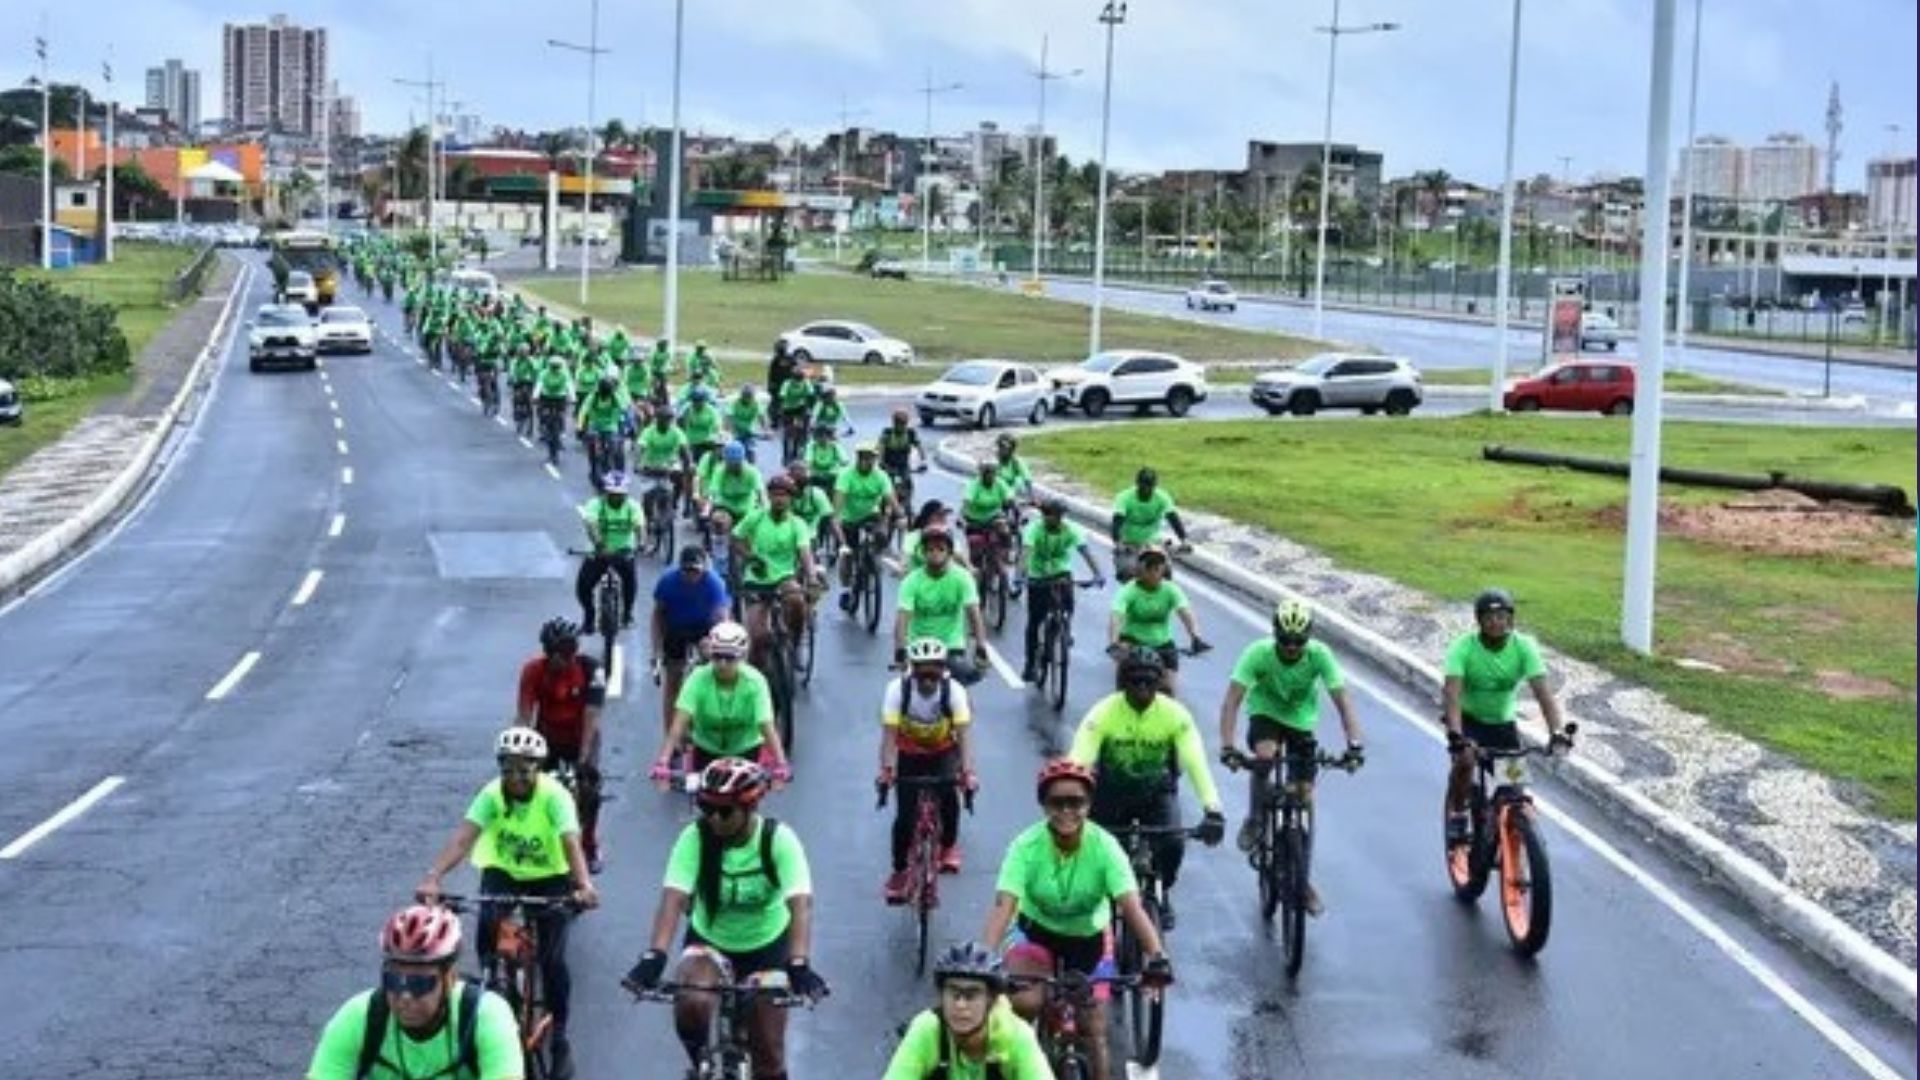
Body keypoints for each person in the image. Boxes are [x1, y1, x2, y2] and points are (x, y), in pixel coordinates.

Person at [622, 758, 828, 1080]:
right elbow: (673, 898)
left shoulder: (778, 840)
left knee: (770, 1058)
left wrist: (799, 963)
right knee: (691, 1001)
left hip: (768, 948)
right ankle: (700, 1063)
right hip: (710, 942)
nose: (714, 818)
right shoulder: (696, 837)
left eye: (725, 811)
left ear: (749, 809)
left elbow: (800, 904)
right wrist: (655, 956)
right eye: (706, 808)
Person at [416, 728, 599, 1079]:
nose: (516, 777)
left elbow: (571, 843)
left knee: (553, 957)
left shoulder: (555, 796)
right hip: (502, 872)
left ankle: (559, 1035)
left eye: (524, 769)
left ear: (538, 768)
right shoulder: (490, 794)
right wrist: (433, 876)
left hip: (549, 876)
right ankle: (493, 978)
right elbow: (462, 838)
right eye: (509, 769)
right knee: (488, 924)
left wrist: (583, 886)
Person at [980, 760, 1171, 1080]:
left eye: (1076, 802)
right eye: (1057, 802)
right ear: (1044, 805)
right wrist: (983, 959)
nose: (1067, 810)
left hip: (1089, 939)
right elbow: (1003, 906)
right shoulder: (1025, 846)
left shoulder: (1106, 847)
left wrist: (1156, 956)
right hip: (1036, 933)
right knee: (1024, 1004)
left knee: (1094, 1030)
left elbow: (1132, 906)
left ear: (1089, 804)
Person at [1217, 600, 1364, 914]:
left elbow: (1343, 701)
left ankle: (1301, 877)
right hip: (1265, 712)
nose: (1292, 648)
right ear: (1275, 635)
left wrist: (1354, 745)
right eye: (1285, 641)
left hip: (1301, 720)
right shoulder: (1257, 653)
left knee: (1304, 796)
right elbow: (1231, 702)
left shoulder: (1320, 656)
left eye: (1299, 642)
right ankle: (1256, 818)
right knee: (1265, 756)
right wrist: (1228, 746)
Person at [1068, 648, 1225, 931]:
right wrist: (1069, 800)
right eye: (1135, 681)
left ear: (1159, 684)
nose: (1142, 688)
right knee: (1093, 851)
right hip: (1111, 793)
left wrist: (1212, 809)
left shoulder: (1174, 714)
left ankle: (1162, 892)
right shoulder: (1103, 712)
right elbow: (1079, 759)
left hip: (1157, 793)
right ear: (1122, 683)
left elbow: (1196, 763)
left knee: (1174, 843)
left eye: (1149, 682)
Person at [305, 905, 523, 1080]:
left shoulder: (486, 1015)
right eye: (393, 981)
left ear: (450, 979)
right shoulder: (359, 1016)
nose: (405, 996)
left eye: (420, 983)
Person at [1443, 588, 1573, 845]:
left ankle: (1507, 832)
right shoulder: (1463, 647)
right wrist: (1457, 736)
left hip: (1503, 725)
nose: (1496, 622)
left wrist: (1556, 732)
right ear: (1479, 621)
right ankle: (1457, 815)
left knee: (1514, 791)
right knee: (1466, 761)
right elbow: (1452, 695)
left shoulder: (1524, 647)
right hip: (1468, 721)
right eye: (1489, 617)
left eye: (1502, 616)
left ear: (1511, 619)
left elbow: (1544, 695)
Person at [878, 638, 978, 901]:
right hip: (909, 752)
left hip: (943, 751)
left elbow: (965, 735)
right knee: (904, 819)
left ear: (943, 670)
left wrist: (967, 772)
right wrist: (887, 770)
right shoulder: (897, 690)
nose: (927, 682)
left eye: (933, 674)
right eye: (921, 674)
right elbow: (889, 736)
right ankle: (900, 871)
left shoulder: (954, 691)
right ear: (912, 670)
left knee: (950, 798)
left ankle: (947, 846)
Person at [881, 942, 1051, 1080]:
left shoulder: (1017, 1036)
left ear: (990, 1000)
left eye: (972, 995)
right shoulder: (927, 1027)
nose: (961, 1005)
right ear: (941, 996)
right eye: (953, 993)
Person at [517, 618, 608, 873]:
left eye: (568, 653)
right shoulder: (533, 670)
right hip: (547, 735)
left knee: (589, 788)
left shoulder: (592, 669)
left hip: (581, 734)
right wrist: (521, 754)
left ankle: (589, 845)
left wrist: (583, 758)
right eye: (555, 653)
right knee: (526, 785)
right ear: (546, 652)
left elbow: (592, 715)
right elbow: (524, 715)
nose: (561, 660)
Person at [652, 621, 789, 781]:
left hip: (746, 752)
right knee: (704, 799)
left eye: (730, 657)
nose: (722, 664)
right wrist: (663, 761)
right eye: (717, 656)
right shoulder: (697, 678)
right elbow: (679, 723)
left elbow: (766, 725)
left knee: (746, 799)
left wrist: (781, 763)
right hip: (706, 752)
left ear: (742, 657)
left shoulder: (756, 682)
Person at [733, 475, 818, 676]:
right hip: (756, 580)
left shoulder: (797, 523)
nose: (779, 499)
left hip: (783, 579)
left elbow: (805, 552)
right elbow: (736, 538)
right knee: (758, 636)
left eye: (784, 495)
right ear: (769, 497)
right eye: (775, 495)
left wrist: (812, 576)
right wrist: (750, 556)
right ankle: (757, 679)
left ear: (791, 499)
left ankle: (795, 644)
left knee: (797, 601)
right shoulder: (755, 517)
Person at [650, 546, 734, 737]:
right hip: (676, 626)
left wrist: (718, 645)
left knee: (714, 662)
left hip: (705, 625)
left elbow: (723, 619)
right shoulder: (667, 582)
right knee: (673, 678)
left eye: (695, 571)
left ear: (703, 569)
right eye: (687, 571)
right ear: (680, 569)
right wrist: (655, 652)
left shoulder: (714, 584)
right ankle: (671, 734)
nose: (691, 576)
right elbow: (657, 616)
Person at [1020, 498, 1105, 684]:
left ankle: (1065, 626)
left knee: (1067, 602)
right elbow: (1025, 553)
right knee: (1034, 621)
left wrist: (1098, 573)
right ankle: (1029, 663)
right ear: (1044, 515)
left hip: (1061, 572)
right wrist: (1020, 575)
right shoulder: (1034, 530)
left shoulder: (1071, 530)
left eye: (1059, 515)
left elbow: (1085, 551)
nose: (1056, 519)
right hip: (1038, 575)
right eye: (1051, 515)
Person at [894, 525, 990, 685]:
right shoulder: (911, 581)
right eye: (930, 549)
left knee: (960, 692)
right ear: (923, 553)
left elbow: (973, 613)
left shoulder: (963, 577)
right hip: (918, 646)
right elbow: (902, 619)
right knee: (908, 690)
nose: (935, 554)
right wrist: (900, 650)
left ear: (950, 552)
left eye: (940, 549)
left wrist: (980, 647)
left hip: (951, 645)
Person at [1106, 545, 1208, 693]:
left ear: (1163, 570)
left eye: (1157, 566)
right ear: (1140, 569)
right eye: (1149, 565)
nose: (1153, 570)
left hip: (1163, 643)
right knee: (1123, 688)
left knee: (1169, 691)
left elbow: (1185, 612)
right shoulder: (1128, 590)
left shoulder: (1171, 589)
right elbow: (1116, 616)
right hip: (1132, 642)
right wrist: (1114, 643)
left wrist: (1195, 636)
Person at [832, 442, 899, 612]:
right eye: (864, 457)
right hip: (849, 519)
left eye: (871, 458)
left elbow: (891, 498)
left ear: (875, 459)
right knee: (848, 554)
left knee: (882, 534)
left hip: (871, 516)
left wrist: (901, 515)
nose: (867, 461)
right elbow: (838, 504)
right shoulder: (846, 475)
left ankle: (873, 561)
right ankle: (847, 589)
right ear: (858, 458)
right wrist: (837, 519)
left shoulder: (881, 476)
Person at [575, 472, 642, 634]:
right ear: (605, 493)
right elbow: (591, 525)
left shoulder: (632, 506)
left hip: (623, 550)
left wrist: (641, 543)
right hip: (599, 551)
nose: (616, 498)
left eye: (620, 495)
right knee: (583, 586)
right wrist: (599, 545)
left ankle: (627, 614)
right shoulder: (595, 504)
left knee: (630, 580)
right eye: (612, 494)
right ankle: (589, 617)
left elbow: (639, 526)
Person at [1108, 468, 1189, 581]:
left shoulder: (1162, 497)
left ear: (1155, 485)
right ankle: (1131, 595)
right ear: (1137, 484)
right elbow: (1117, 521)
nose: (1146, 490)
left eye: (1150, 486)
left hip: (1153, 543)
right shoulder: (1124, 497)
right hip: (1129, 544)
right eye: (1143, 486)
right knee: (1127, 572)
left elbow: (1173, 518)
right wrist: (1118, 542)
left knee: (1166, 571)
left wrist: (1184, 540)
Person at [959, 460, 1018, 592]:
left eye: (992, 472)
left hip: (994, 518)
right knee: (975, 556)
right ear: (981, 473)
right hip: (974, 521)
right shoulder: (973, 485)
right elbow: (966, 502)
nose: (990, 476)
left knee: (1003, 527)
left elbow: (1009, 497)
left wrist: (1012, 503)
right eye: (986, 472)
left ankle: (1008, 554)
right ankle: (975, 581)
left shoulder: (1000, 484)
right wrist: (961, 517)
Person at [701, 441, 768, 538]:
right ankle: (716, 547)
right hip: (725, 506)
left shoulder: (752, 472)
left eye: (736, 463)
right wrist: (706, 509)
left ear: (742, 460)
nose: (732, 466)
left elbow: (761, 494)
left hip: (747, 509)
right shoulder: (720, 470)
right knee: (718, 521)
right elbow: (713, 493)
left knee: (755, 532)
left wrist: (765, 510)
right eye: (729, 462)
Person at [575, 375, 632, 486]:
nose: (605, 394)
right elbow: (583, 411)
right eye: (604, 391)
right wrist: (580, 426)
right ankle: (593, 467)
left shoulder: (615, 397)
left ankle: (617, 471)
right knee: (591, 443)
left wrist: (628, 426)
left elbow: (624, 409)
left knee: (616, 447)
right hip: (595, 426)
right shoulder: (593, 396)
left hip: (611, 427)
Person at [635, 409, 695, 513]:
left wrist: (689, 463)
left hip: (670, 465)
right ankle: (648, 519)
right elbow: (640, 447)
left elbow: (685, 449)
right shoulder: (648, 431)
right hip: (650, 465)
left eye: (669, 420)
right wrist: (637, 463)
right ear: (657, 420)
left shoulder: (676, 431)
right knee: (647, 497)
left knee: (680, 478)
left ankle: (674, 500)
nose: (667, 422)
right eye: (663, 420)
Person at [877, 408, 926, 513]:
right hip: (888, 465)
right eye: (898, 423)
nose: (901, 426)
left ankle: (908, 507)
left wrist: (923, 461)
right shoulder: (887, 432)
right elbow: (880, 447)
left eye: (904, 423)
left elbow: (919, 446)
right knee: (886, 488)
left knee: (908, 486)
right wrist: (880, 462)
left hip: (903, 466)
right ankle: (883, 510)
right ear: (894, 423)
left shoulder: (911, 433)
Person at [680, 385, 727, 464]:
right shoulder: (687, 410)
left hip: (707, 444)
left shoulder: (711, 411)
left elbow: (718, 427)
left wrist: (715, 439)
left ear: (704, 400)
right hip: (692, 444)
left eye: (699, 400)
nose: (696, 403)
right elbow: (681, 424)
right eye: (694, 400)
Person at [802, 422, 851, 490]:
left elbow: (845, 461)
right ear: (816, 437)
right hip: (816, 475)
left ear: (829, 436)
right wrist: (808, 471)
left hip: (832, 475)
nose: (823, 438)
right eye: (820, 435)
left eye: (825, 435)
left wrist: (842, 466)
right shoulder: (812, 446)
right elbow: (808, 462)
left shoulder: (835, 446)